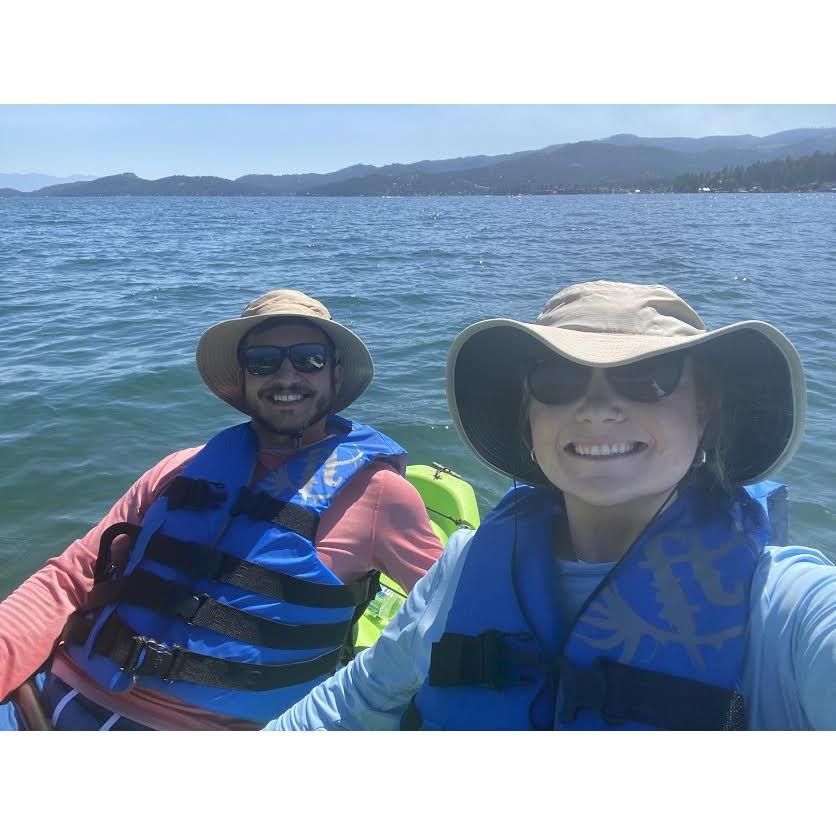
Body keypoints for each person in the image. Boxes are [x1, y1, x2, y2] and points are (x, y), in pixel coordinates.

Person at [267, 280, 836, 731]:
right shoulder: (463, 566)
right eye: (559, 378)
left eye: (649, 377)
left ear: (705, 411)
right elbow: (354, 702)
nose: (598, 407)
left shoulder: (785, 607)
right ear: (529, 416)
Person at [0, 290, 443, 730]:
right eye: (263, 361)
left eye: (309, 359)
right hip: (43, 700)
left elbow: (452, 622)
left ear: (335, 372)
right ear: (243, 376)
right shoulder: (178, 470)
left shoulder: (381, 497)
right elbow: (69, 577)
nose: (286, 376)